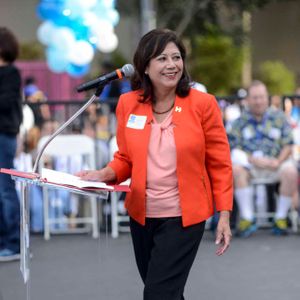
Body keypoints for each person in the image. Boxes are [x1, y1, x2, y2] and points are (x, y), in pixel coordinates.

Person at [77, 29, 233, 300]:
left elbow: (220, 163)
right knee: (167, 292)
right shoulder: (128, 104)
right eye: (162, 58)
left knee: (157, 293)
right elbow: (125, 159)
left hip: (185, 218)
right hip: (141, 216)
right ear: (145, 66)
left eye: (176, 57)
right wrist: (104, 173)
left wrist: (225, 214)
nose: (171, 65)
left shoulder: (203, 104)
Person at [228, 80, 298, 237]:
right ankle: (247, 218)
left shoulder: (279, 117)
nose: (258, 101)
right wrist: (252, 159)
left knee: (291, 171)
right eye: (254, 97)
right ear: (248, 99)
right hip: (251, 166)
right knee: (236, 170)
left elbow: (288, 144)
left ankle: (280, 219)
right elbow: (233, 147)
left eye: (261, 97)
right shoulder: (239, 121)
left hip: (276, 164)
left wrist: (278, 161)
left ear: (267, 98)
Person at [0, 27, 22, 261]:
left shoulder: (10, 73)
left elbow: (6, 103)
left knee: (5, 189)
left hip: (4, 135)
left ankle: (12, 244)